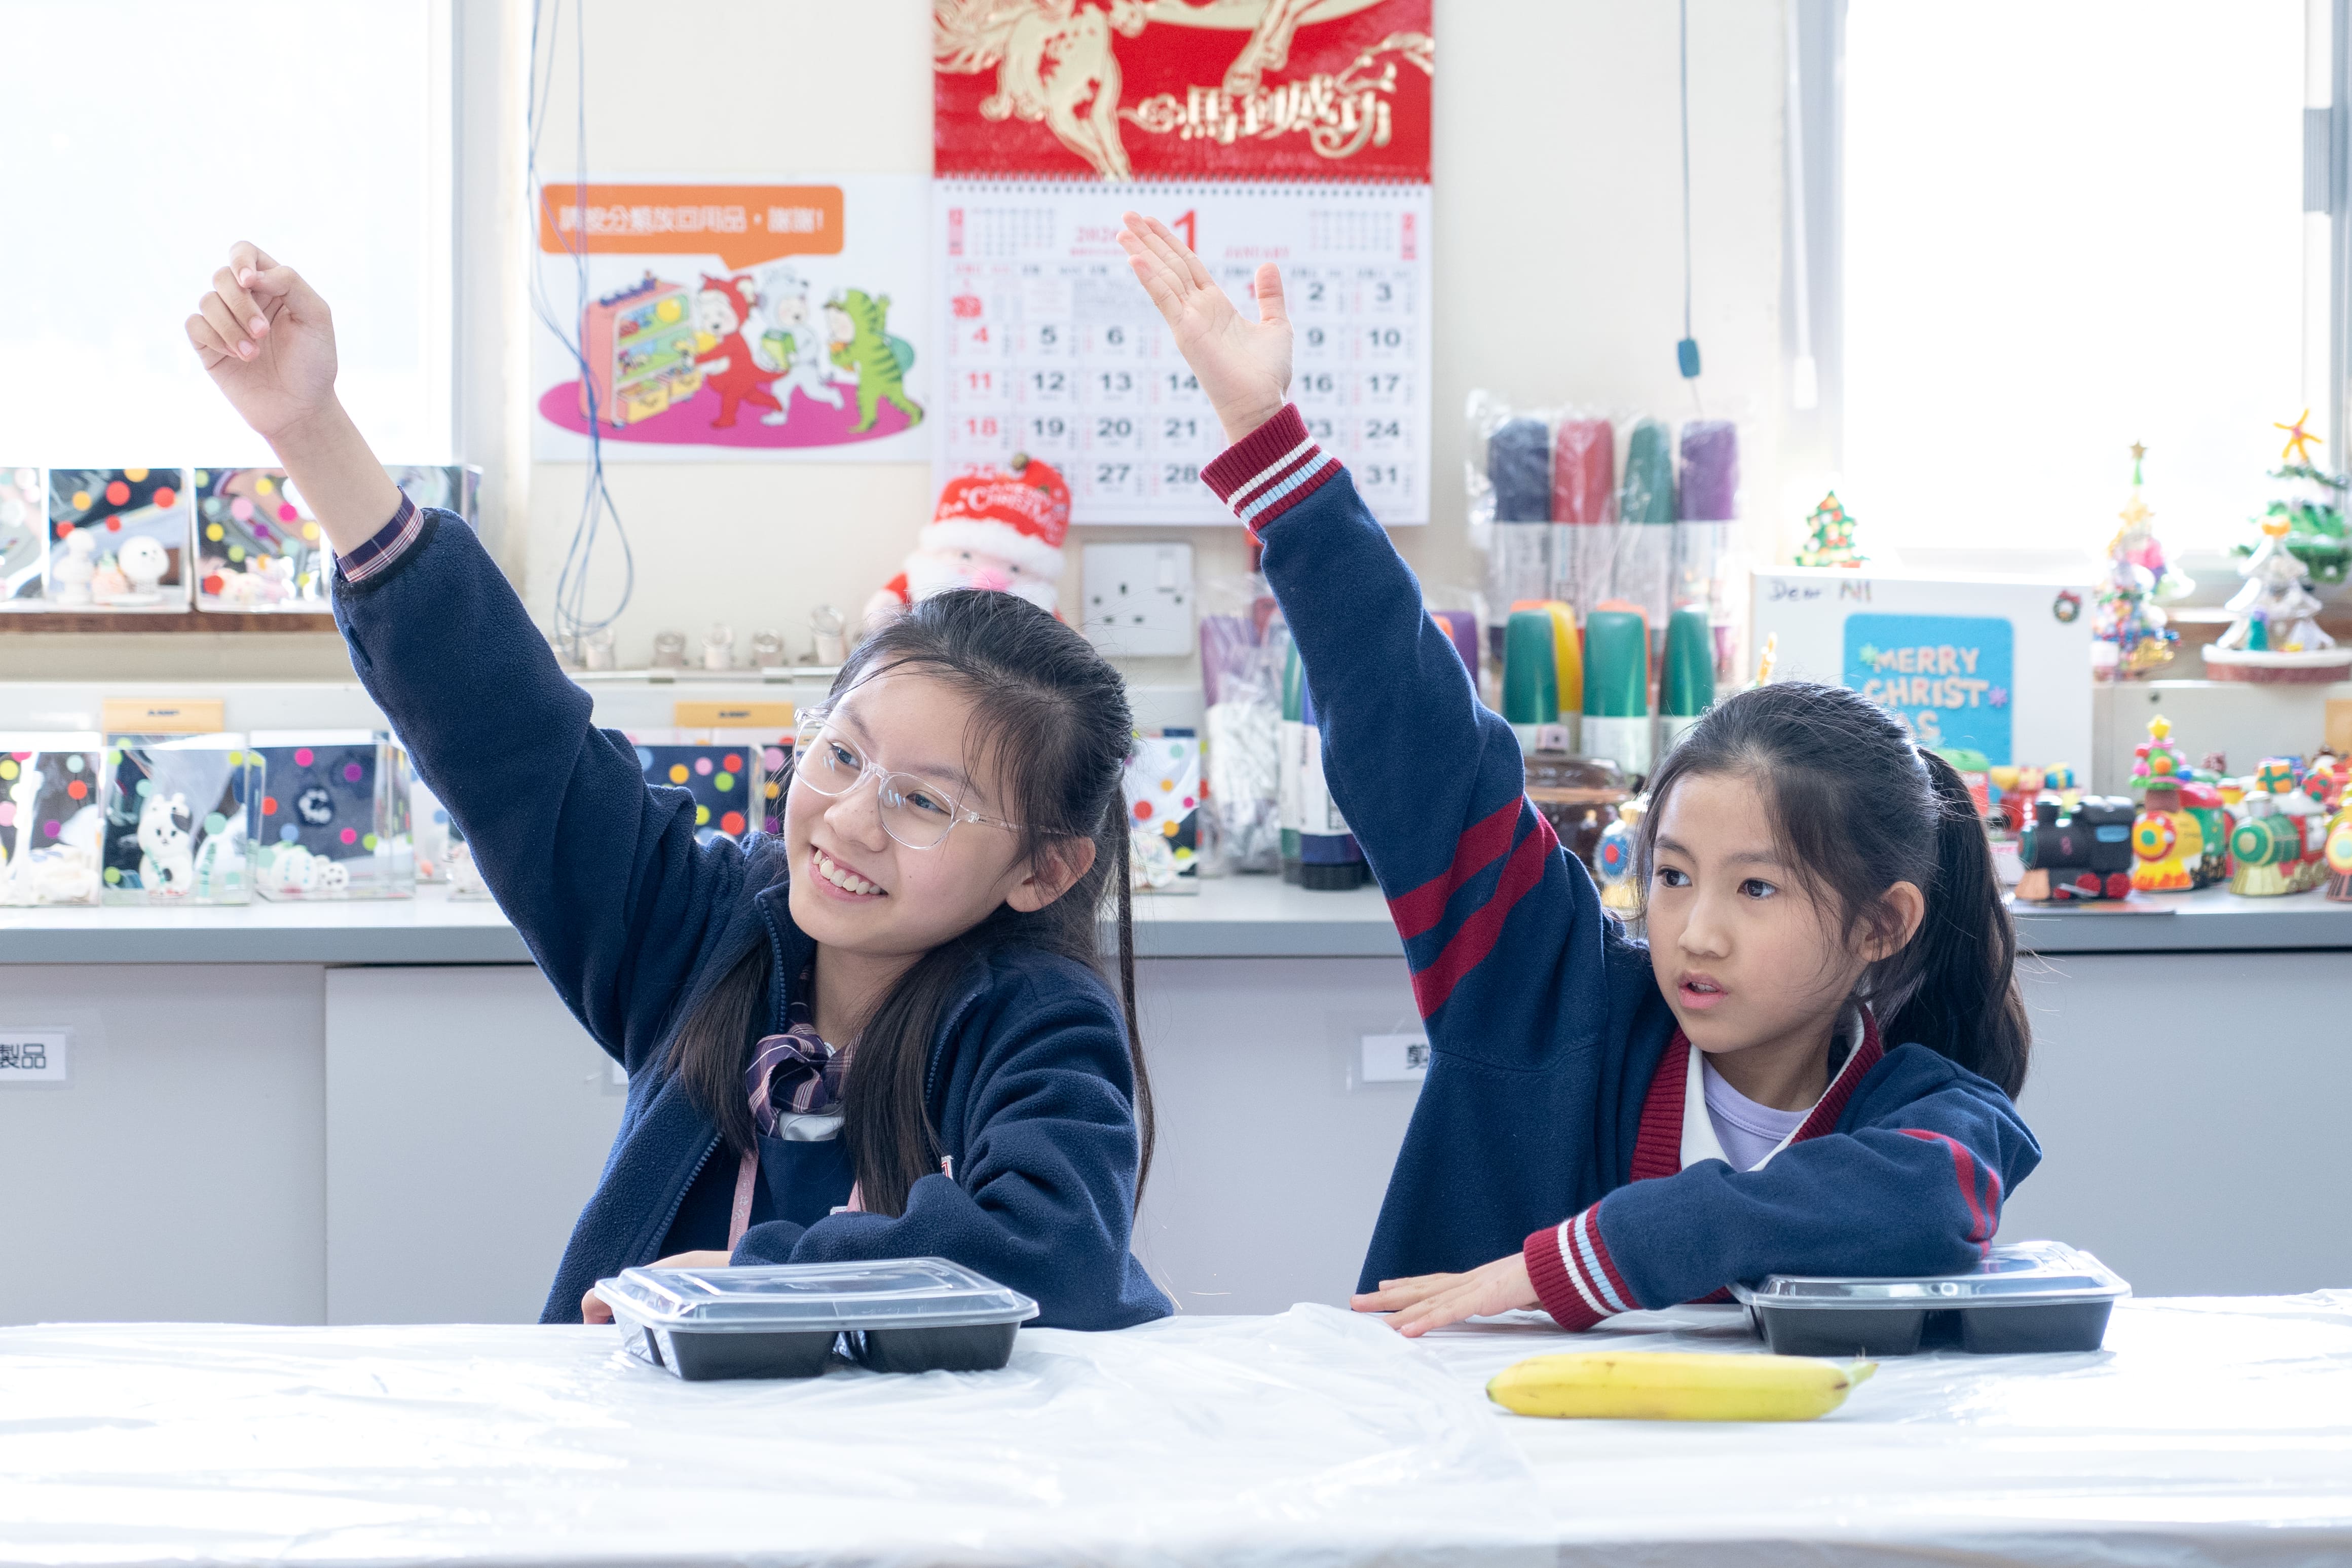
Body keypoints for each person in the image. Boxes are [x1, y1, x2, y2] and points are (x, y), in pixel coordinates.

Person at [185, 243, 1168, 1330]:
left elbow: (1054, 1256)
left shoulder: (1037, 1020)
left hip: (920, 1447)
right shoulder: (704, 934)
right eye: (841, 756)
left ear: (1044, 869)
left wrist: (760, 1277)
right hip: (657, 1438)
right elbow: (513, 741)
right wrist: (308, 427)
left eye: (925, 802)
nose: (849, 821)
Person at [1115, 213, 2039, 1337]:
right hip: (1468, 1439)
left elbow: (1932, 1201)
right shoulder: (1547, 988)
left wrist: (1582, 1259)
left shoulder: (1931, 1113)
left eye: (1755, 888)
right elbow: (1416, 730)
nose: (1693, 932)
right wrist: (1267, 441)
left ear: (1881, 923)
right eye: (1672, 875)